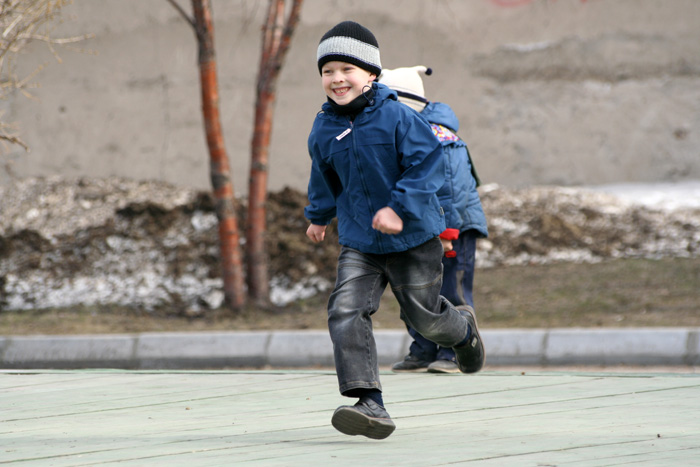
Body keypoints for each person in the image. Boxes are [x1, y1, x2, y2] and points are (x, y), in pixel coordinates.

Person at [304, 21, 485, 440]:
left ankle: (461, 330)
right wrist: (318, 214)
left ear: (371, 74)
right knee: (345, 310)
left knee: (423, 318)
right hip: (359, 241)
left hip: (413, 238)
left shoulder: (399, 118)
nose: (336, 79)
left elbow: (429, 166)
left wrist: (398, 208)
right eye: (328, 71)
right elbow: (323, 173)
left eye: (346, 69)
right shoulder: (324, 126)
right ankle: (370, 402)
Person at [379, 66, 489, 374]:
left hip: (453, 226)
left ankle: (455, 351)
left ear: (404, 103)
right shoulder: (400, 132)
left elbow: (450, 189)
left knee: (450, 289)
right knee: (414, 289)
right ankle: (424, 347)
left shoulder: (438, 135)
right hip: (421, 226)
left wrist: (448, 232)